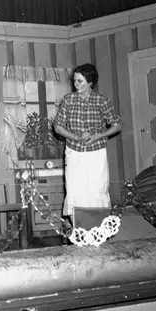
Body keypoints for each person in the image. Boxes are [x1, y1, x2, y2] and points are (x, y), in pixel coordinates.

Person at [54, 63, 122, 227]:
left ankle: (99, 230)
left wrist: (98, 135)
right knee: (75, 191)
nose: (76, 84)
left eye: (80, 81)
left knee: (97, 190)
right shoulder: (68, 100)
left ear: (90, 82)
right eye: (75, 81)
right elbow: (58, 127)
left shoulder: (102, 101)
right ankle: (79, 230)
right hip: (74, 153)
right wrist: (76, 137)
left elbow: (117, 125)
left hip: (96, 153)